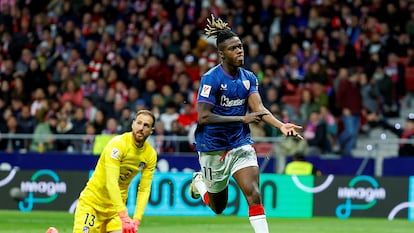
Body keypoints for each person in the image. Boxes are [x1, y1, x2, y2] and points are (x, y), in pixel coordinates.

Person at [189, 15, 303, 233]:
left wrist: (280, 125)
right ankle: (200, 183)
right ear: (221, 54)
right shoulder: (211, 79)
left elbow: (259, 109)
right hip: (213, 148)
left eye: (240, 46)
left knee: (254, 194)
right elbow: (203, 117)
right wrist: (242, 118)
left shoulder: (249, 77)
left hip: (240, 144)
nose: (239, 51)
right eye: (233, 48)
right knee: (218, 207)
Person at [72, 110, 157, 233]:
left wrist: (136, 220)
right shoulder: (118, 145)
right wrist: (124, 216)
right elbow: (111, 182)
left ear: (151, 130)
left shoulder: (150, 155)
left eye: (146, 125)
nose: (141, 128)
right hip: (92, 204)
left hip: (115, 211)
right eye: (139, 123)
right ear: (133, 124)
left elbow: (144, 189)